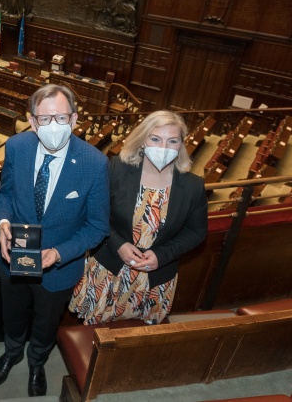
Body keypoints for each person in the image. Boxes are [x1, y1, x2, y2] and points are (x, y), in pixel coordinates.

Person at [0, 84, 109, 397]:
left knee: (46, 323)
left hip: (59, 268)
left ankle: (36, 362)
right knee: (13, 314)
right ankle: (12, 352)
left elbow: (97, 227)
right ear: (32, 121)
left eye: (61, 117)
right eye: (45, 119)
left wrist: (58, 253)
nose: (53, 125)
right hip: (15, 255)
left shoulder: (94, 163)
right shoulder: (16, 147)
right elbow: (4, 194)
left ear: (74, 119)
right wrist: (2, 223)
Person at [70, 110, 208, 325]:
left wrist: (161, 255)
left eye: (172, 141)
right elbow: (93, 212)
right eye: (155, 139)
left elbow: (196, 232)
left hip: (155, 277)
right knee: (95, 333)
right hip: (108, 270)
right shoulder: (116, 168)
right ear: (143, 140)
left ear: (181, 145)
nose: (163, 148)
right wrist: (118, 244)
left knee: (137, 339)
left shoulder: (193, 186)